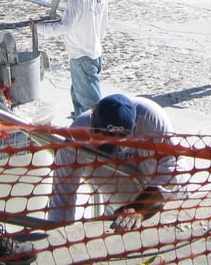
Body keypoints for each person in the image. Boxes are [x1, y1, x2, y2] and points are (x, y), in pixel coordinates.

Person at [47, 92, 188, 228]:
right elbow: (62, 196)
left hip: (162, 203)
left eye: (120, 140)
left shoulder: (151, 117)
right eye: (105, 138)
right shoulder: (76, 136)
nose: (114, 145)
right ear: (92, 122)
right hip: (117, 207)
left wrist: (138, 207)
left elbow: (174, 166)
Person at [35, 0, 109, 118]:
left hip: (81, 55)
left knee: (91, 102)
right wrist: (96, 40)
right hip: (94, 52)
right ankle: (80, 118)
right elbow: (103, 23)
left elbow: (65, 26)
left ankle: (94, 129)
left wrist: (40, 28)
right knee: (77, 91)